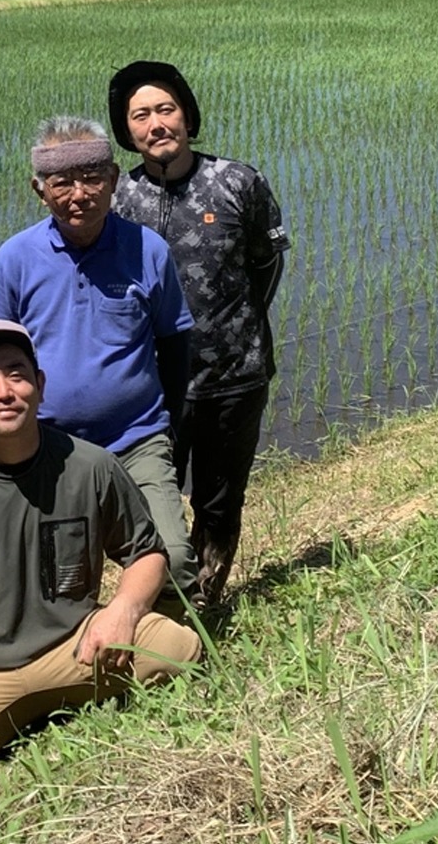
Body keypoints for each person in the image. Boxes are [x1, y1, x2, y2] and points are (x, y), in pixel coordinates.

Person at [0, 318, 202, 802]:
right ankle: (11, 717)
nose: (2, 392)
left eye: (16, 374)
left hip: (76, 649)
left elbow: (146, 552)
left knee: (181, 649)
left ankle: (53, 706)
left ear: (40, 387)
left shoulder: (91, 465)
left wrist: (122, 612)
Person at [0, 116, 198, 613]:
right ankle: (81, 662)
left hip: (136, 439)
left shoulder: (148, 250)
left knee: (174, 558)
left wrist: (170, 427)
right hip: (51, 446)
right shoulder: (16, 257)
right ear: (40, 191)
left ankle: (169, 660)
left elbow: (174, 343)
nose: (79, 193)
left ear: (115, 181)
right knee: (58, 578)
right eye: (62, 182)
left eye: (93, 177)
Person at [108, 60, 290, 605]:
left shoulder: (237, 181)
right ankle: (157, 605)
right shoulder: (120, 199)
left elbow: (266, 264)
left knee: (219, 500)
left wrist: (236, 326)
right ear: (127, 130)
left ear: (187, 116)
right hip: (152, 387)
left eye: (166, 109)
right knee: (146, 504)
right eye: (141, 115)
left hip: (237, 374)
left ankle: (205, 604)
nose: (156, 124)